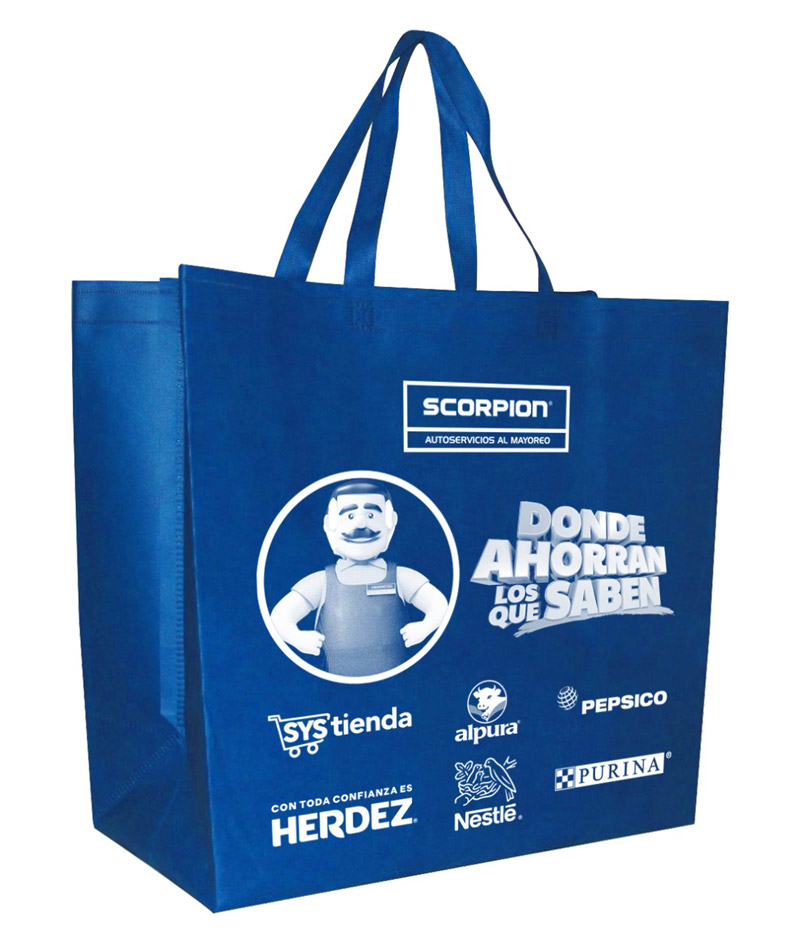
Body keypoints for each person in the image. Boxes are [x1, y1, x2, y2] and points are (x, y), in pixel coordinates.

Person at [270, 480, 448, 677]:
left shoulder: (401, 577)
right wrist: (297, 638)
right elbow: (280, 616)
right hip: (337, 686)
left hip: (397, 685)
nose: (361, 524)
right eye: (350, 515)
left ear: (390, 521)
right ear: (330, 524)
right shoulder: (321, 582)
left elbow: (438, 604)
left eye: (371, 515)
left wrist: (424, 627)